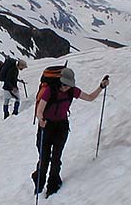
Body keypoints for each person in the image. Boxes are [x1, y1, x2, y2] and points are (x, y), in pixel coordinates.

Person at [32, 68, 109, 197]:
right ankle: (39, 184)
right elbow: (40, 110)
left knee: (56, 158)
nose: (66, 88)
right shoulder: (49, 90)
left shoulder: (72, 91)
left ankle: (52, 186)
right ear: (60, 81)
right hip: (46, 126)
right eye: (64, 84)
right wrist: (40, 119)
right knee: (44, 158)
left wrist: (101, 86)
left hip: (61, 127)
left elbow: (90, 97)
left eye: (68, 85)